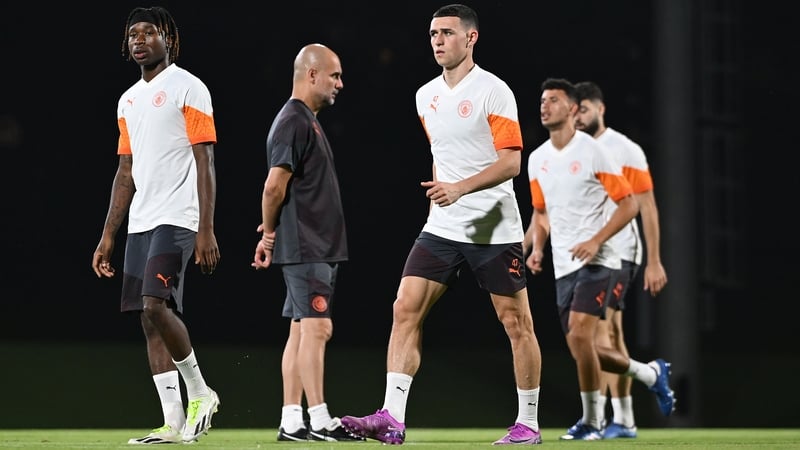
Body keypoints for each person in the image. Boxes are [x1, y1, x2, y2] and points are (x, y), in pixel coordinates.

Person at [341, 4, 544, 446]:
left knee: (516, 324)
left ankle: (527, 423)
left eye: (447, 33)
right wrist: (443, 195)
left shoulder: (494, 91)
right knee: (403, 308)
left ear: (470, 39)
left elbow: (511, 162)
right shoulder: (424, 95)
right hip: (443, 226)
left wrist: (460, 189)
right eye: (433, 33)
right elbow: (443, 152)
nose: (437, 40)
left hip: (492, 226)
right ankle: (392, 417)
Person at [91, 6, 220, 445]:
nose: (139, 40)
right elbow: (125, 172)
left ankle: (202, 392)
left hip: (179, 216)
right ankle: (172, 422)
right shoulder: (127, 100)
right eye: (132, 35)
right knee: (147, 322)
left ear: (169, 38)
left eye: (149, 33)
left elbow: (206, 161)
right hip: (142, 220)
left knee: (154, 305)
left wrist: (206, 228)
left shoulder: (189, 87)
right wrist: (109, 235)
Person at [524, 77, 675, 441]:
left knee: (589, 333)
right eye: (542, 100)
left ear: (576, 109)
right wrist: (536, 247)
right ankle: (650, 375)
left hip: (606, 257)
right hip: (564, 263)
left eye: (554, 100)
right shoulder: (537, 158)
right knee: (584, 344)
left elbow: (634, 204)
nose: (544, 106)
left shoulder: (602, 151)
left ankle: (599, 420)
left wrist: (599, 242)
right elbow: (541, 212)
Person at [251, 43, 364, 443]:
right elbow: (272, 186)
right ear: (311, 74)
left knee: (300, 331)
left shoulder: (304, 120)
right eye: (334, 75)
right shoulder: (294, 121)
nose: (340, 84)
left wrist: (272, 237)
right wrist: (268, 234)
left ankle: (292, 420)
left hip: (311, 247)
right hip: (308, 248)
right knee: (319, 328)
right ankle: (319, 419)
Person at [574, 80, 669, 439]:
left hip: (621, 251)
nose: (578, 116)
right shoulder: (574, 149)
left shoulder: (624, 149)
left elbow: (647, 207)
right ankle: (624, 416)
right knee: (606, 333)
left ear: (601, 109)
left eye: (584, 109)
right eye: (575, 110)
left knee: (600, 332)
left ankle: (603, 419)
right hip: (589, 253)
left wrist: (655, 260)